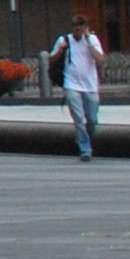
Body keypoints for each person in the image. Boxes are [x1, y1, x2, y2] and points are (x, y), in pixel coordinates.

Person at [55, 22, 107, 160]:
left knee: (92, 119)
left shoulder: (92, 40)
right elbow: (51, 60)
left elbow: (100, 59)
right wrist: (60, 50)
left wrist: (89, 41)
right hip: (71, 84)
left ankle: (86, 140)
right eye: (76, 29)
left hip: (90, 85)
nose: (78, 32)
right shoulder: (64, 40)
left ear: (86, 29)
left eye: (81, 29)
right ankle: (85, 149)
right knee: (78, 118)